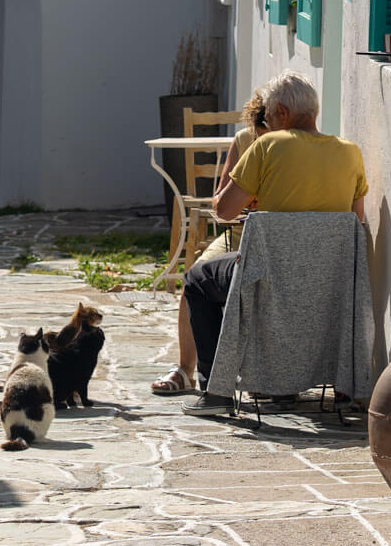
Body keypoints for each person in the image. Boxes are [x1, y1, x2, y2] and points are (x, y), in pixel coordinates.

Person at [180, 71, 367, 417]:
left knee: (196, 280)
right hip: (328, 286)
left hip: (268, 279)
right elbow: (357, 223)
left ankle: (214, 390)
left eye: (266, 116)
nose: (265, 122)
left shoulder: (266, 146)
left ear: (281, 112)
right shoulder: (350, 152)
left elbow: (223, 210)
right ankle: (283, 385)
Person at [151, 89, 268, 396]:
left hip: (274, 238)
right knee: (198, 272)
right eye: (261, 127)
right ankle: (185, 370)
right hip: (240, 231)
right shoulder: (245, 141)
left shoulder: (299, 149)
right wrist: (246, 199)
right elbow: (220, 201)